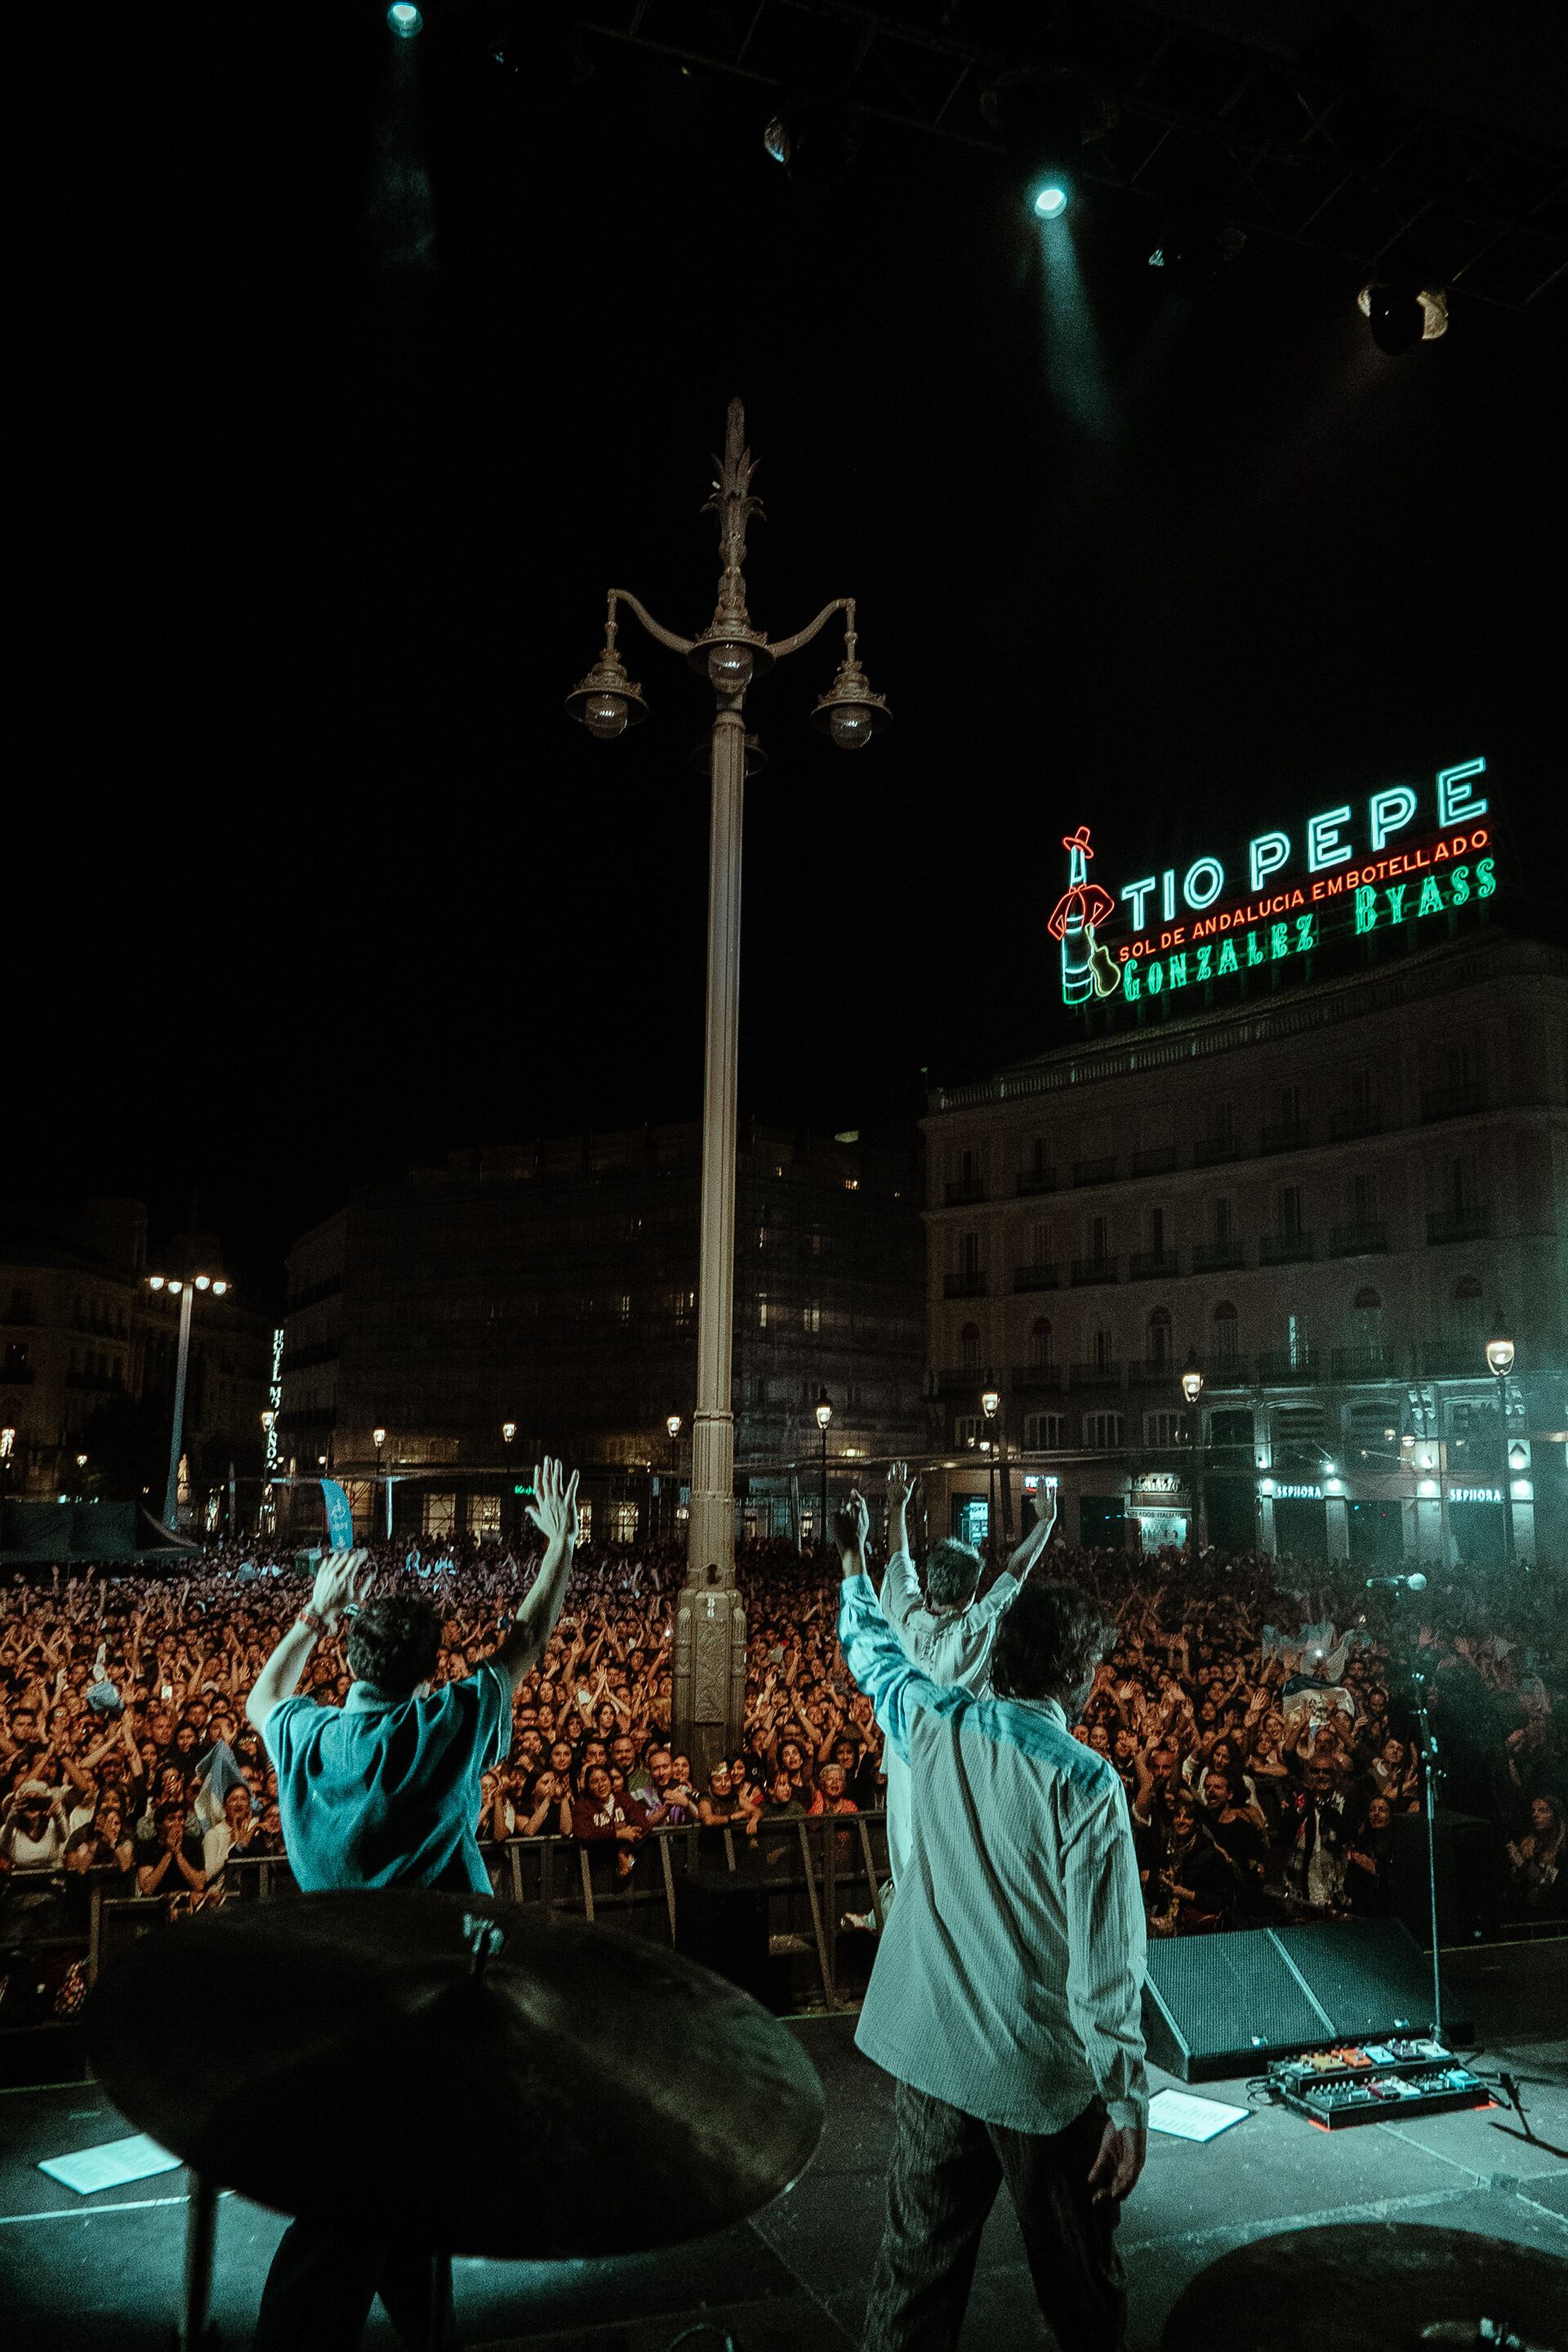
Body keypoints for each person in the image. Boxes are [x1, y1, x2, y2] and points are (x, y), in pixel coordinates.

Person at [247, 1457, 580, 2352]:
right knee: (360, 2214)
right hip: (438, 2002)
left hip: (340, 1996)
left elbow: (264, 1694)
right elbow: (526, 1638)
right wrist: (561, 1548)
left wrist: (314, 1611)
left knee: (391, 2198)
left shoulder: (308, 1738)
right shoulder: (446, 1725)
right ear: (430, 1664)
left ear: (352, 1654)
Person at [835, 1493, 1147, 2352]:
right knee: (1080, 2292)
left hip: (932, 2055)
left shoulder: (934, 1726)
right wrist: (1124, 2097)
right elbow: (1106, 1969)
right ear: (1077, 1674)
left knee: (912, 2280)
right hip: (1037, 2076)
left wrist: (849, 1563)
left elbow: (870, 1656)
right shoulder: (1085, 1784)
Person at [875, 1460, 1059, 1909]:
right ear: (971, 1593)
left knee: (908, 1862)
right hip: (961, 1762)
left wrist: (898, 1505)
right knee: (959, 1869)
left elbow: (899, 1558)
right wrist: (1045, 1523)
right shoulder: (976, 1625)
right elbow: (1016, 1572)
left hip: (905, 1760)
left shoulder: (902, 1614)